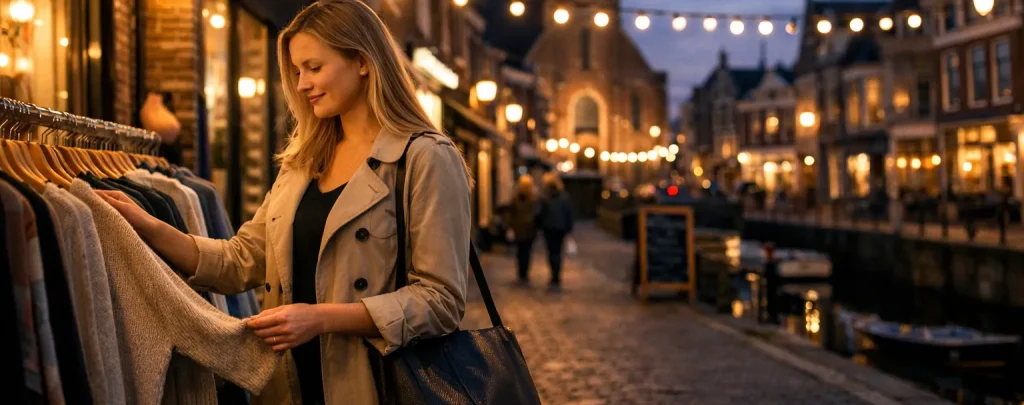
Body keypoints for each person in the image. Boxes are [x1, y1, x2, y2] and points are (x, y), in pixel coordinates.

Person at [95, 1, 473, 404]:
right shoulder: (303, 160)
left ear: (363, 62)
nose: (302, 84)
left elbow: (441, 300)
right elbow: (241, 260)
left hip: (375, 386)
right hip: (288, 386)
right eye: (296, 71)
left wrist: (320, 319)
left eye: (314, 67)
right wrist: (148, 224)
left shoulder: (424, 157)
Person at [537, 172, 574, 291]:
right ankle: (556, 276)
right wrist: (569, 228)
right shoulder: (564, 197)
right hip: (560, 228)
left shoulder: (545, 197)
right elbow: (569, 213)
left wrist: (540, 226)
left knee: (551, 252)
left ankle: (554, 275)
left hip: (549, 228)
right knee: (557, 252)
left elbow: (541, 213)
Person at [506, 174, 539, 285]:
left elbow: (511, 213)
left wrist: (510, 226)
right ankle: (524, 274)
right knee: (527, 252)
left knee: (520, 252)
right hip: (529, 229)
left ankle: (521, 274)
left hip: (519, 229)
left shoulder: (516, 197)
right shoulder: (533, 198)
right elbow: (536, 213)